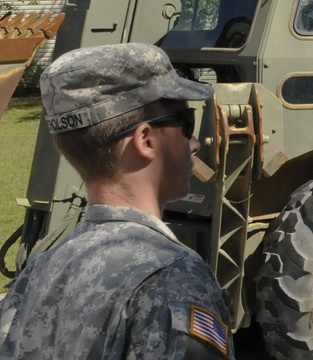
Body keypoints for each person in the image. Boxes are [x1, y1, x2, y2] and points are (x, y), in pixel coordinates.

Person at [0, 43, 234, 359]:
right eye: (186, 124)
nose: (193, 143)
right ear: (146, 140)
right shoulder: (174, 276)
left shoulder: (38, 272)